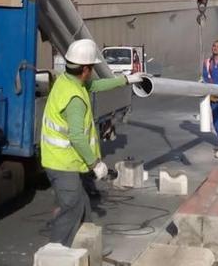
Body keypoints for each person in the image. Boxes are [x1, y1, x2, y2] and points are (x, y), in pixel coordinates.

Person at [41, 39, 142, 246]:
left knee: (83, 203)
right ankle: (57, 253)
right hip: (63, 163)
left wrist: (126, 80)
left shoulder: (66, 80)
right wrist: (96, 163)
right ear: (85, 69)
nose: (94, 72)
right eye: (93, 68)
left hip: (62, 160)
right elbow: (77, 137)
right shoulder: (75, 98)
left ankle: (84, 250)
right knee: (72, 207)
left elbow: (95, 85)